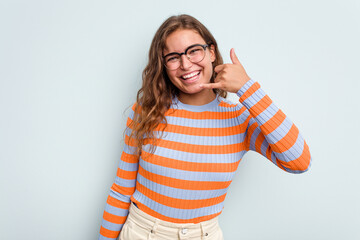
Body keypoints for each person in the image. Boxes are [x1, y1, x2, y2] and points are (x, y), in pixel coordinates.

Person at [98, 14, 312, 240]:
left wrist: (247, 88)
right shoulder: (147, 111)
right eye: (173, 57)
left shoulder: (240, 120)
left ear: (211, 52)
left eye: (194, 51)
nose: (185, 64)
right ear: (164, 65)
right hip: (141, 233)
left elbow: (299, 161)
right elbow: (121, 190)